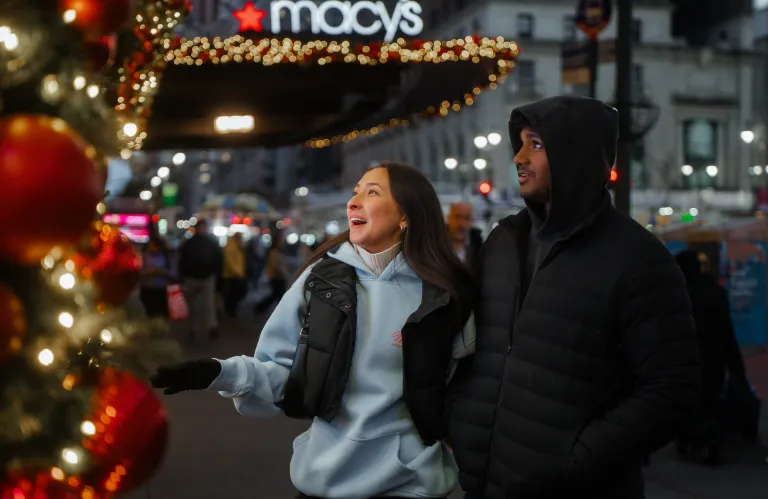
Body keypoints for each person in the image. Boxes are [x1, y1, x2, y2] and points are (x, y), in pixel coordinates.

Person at [150, 162, 476, 499]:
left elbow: (464, 392)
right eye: (355, 192)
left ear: (405, 215)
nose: (354, 201)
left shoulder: (442, 294)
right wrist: (219, 373)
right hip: (325, 482)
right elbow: (286, 376)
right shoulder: (321, 280)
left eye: (372, 192)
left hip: (414, 488)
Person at [447, 96, 701, 499]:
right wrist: (459, 423)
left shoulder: (638, 257)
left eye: (536, 144)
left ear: (575, 155)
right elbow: (477, 348)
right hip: (479, 483)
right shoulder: (502, 243)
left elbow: (672, 390)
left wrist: (574, 462)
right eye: (520, 144)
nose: (518, 158)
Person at [675, 249, 746, 464]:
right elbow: (727, 331)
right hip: (713, 358)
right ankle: (712, 441)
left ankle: (689, 440)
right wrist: (736, 367)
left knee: (686, 402)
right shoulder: (716, 292)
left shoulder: (678, 294)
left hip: (684, 359)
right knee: (712, 401)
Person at [177, 219, 223, 339]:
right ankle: (191, 328)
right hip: (191, 277)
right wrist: (182, 276)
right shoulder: (189, 243)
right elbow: (182, 260)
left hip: (207, 277)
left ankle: (212, 327)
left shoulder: (211, 242)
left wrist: (217, 274)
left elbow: (218, 259)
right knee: (190, 305)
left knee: (209, 305)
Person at [139, 233, 174, 318]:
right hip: (147, 288)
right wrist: (148, 272)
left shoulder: (166, 256)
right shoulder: (143, 256)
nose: (153, 248)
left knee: (162, 312)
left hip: (162, 288)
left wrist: (163, 272)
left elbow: (173, 272)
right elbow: (138, 271)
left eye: (155, 246)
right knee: (150, 312)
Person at [253, 233, 289, 315]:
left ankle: (260, 307)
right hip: (276, 277)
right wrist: (283, 274)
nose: (282, 243)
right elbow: (275, 266)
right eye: (280, 241)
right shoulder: (273, 252)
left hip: (279, 277)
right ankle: (261, 307)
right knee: (278, 295)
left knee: (276, 295)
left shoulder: (280, 252)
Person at [446, 202, 483, 272]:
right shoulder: (437, 247)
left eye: (466, 218)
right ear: (449, 218)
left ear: (472, 221)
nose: (461, 224)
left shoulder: (479, 249)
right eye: (457, 217)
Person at [222, 232, 249, 318]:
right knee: (235, 293)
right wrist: (237, 272)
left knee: (236, 293)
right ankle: (230, 310)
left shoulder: (238, 246)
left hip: (238, 274)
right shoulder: (231, 246)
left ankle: (231, 309)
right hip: (232, 275)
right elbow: (230, 261)